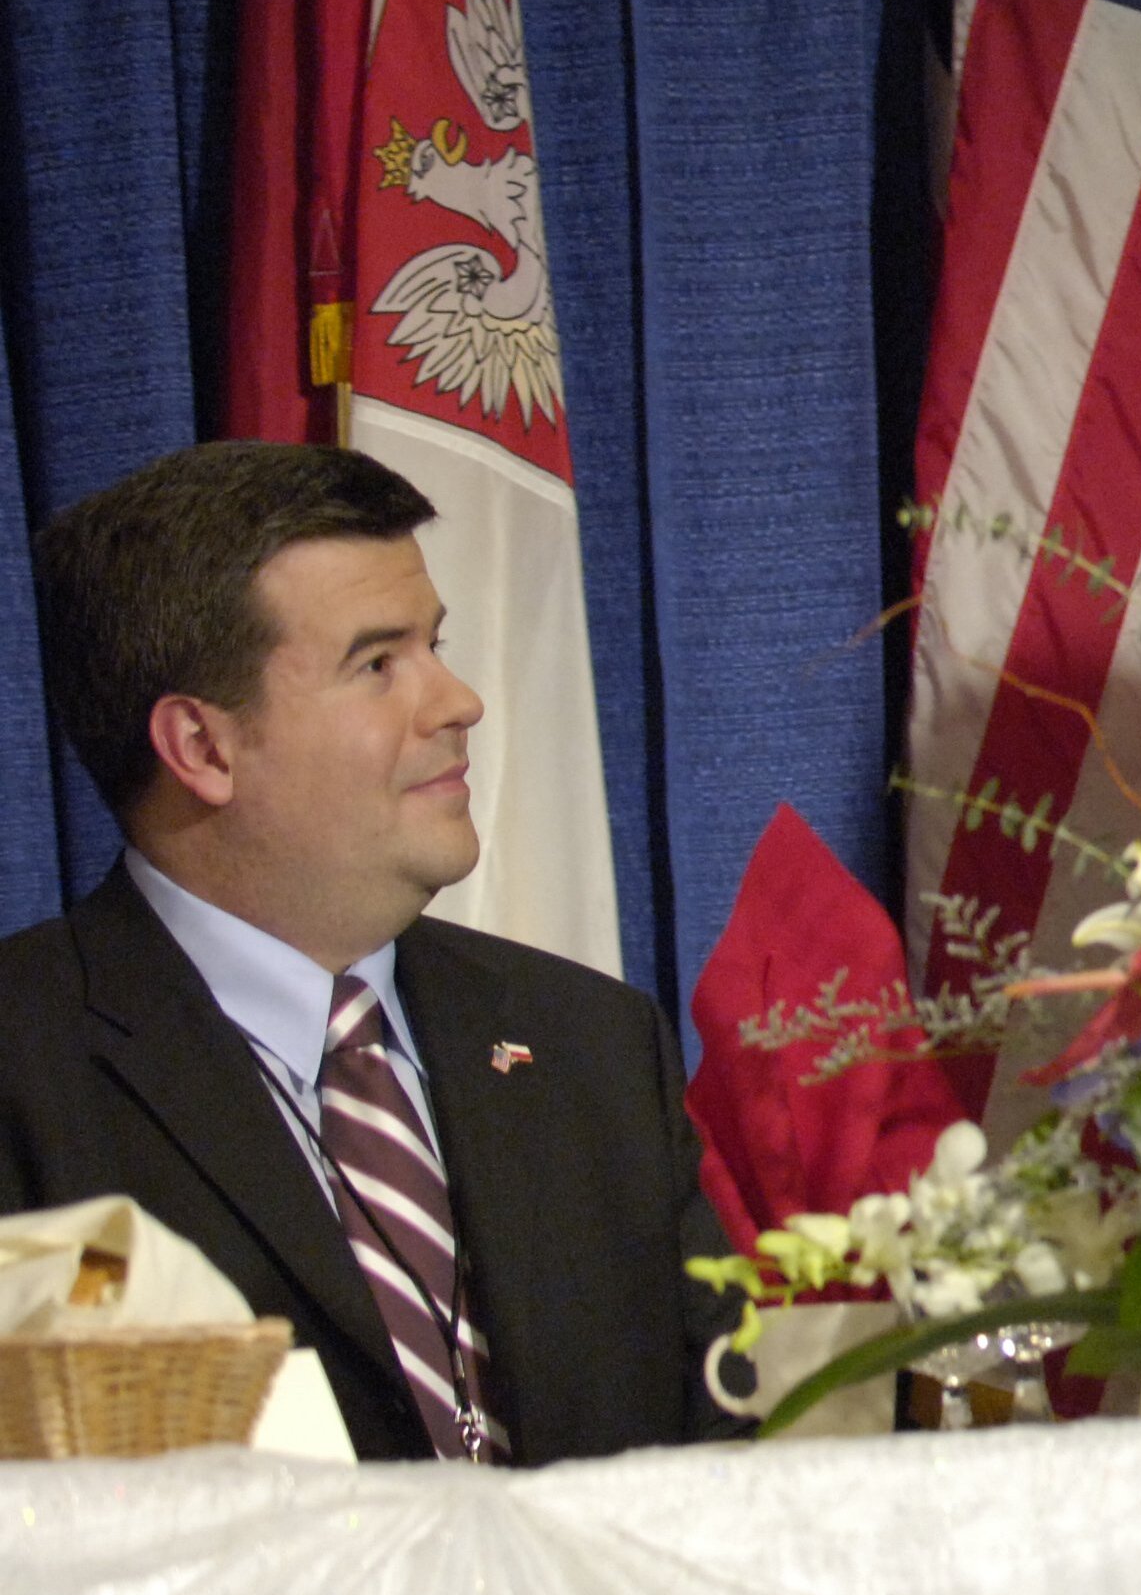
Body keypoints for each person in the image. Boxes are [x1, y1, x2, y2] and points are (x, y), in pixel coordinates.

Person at [0, 441, 733, 1463]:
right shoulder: (26, 1069)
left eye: (437, 644)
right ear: (203, 748)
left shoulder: (591, 1043)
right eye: (378, 664)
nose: (459, 701)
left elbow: (727, 1446)